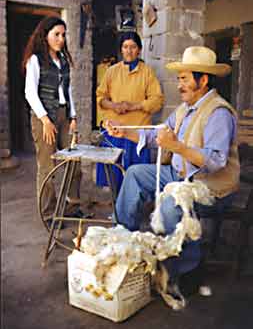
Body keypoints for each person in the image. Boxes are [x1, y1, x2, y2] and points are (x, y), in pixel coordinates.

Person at [104, 46, 240, 291]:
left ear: (204, 80)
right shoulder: (184, 109)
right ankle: (123, 242)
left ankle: (187, 271)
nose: (179, 85)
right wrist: (125, 132)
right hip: (179, 176)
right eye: (179, 79)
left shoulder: (218, 112)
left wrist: (176, 146)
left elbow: (216, 161)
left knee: (171, 203)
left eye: (185, 79)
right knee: (135, 174)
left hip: (210, 186)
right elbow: (157, 134)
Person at [22, 16, 83, 221]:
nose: (61, 39)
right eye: (56, 34)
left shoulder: (63, 61)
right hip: (44, 118)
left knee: (74, 160)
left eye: (63, 35)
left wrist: (73, 116)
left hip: (64, 115)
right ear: (45, 35)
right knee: (48, 166)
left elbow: (69, 90)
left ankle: (72, 206)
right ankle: (47, 213)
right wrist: (45, 120)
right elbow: (30, 93)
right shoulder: (35, 60)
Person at [96, 31, 164, 191]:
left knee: (135, 179)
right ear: (121, 50)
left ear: (139, 50)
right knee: (113, 178)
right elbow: (100, 97)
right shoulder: (112, 71)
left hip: (136, 132)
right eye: (125, 47)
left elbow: (157, 101)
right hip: (114, 130)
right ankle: (116, 208)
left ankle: (132, 208)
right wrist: (114, 106)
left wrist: (133, 106)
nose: (129, 50)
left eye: (133, 47)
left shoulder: (147, 72)